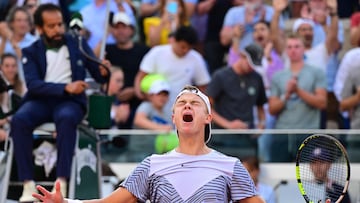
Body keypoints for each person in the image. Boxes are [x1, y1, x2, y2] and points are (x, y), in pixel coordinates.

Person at [33, 85, 265, 203]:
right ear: (173, 117)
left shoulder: (231, 166)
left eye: (195, 103)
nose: (187, 106)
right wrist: (66, 202)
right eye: (181, 103)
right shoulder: (151, 165)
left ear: (208, 118)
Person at [9, 3, 109, 202]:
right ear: (39, 28)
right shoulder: (30, 50)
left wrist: (104, 70)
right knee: (19, 120)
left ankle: (61, 181)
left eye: (59, 25)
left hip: (70, 102)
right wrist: (64, 87)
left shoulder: (77, 42)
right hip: (41, 101)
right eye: (51, 26)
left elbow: (98, 74)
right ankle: (28, 184)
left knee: (66, 117)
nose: (57, 30)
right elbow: (33, 84)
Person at [268, 33, 327, 162]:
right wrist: (287, 95)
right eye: (289, 47)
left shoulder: (316, 72)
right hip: (282, 134)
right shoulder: (278, 76)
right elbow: (272, 109)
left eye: (296, 46)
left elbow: (322, 103)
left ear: (303, 49)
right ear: (285, 50)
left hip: (308, 134)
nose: (293, 50)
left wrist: (298, 91)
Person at [134, 25, 211, 121]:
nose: (185, 50)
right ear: (174, 40)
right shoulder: (157, 53)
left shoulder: (196, 59)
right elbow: (141, 77)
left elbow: (203, 86)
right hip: (156, 109)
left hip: (182, 110)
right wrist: (143, 96)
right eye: (183, 47)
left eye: (189, 48)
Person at [206, 43, 267, 158]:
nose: (251, 67)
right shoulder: (220, 76)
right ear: (242, 56)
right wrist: (228, 124)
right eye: (250, 63)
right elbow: (207, 107)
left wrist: (262, 124)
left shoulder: (257, 78)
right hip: (222, 137)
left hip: (247, 136)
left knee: (249, 171)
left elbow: (260, 106)